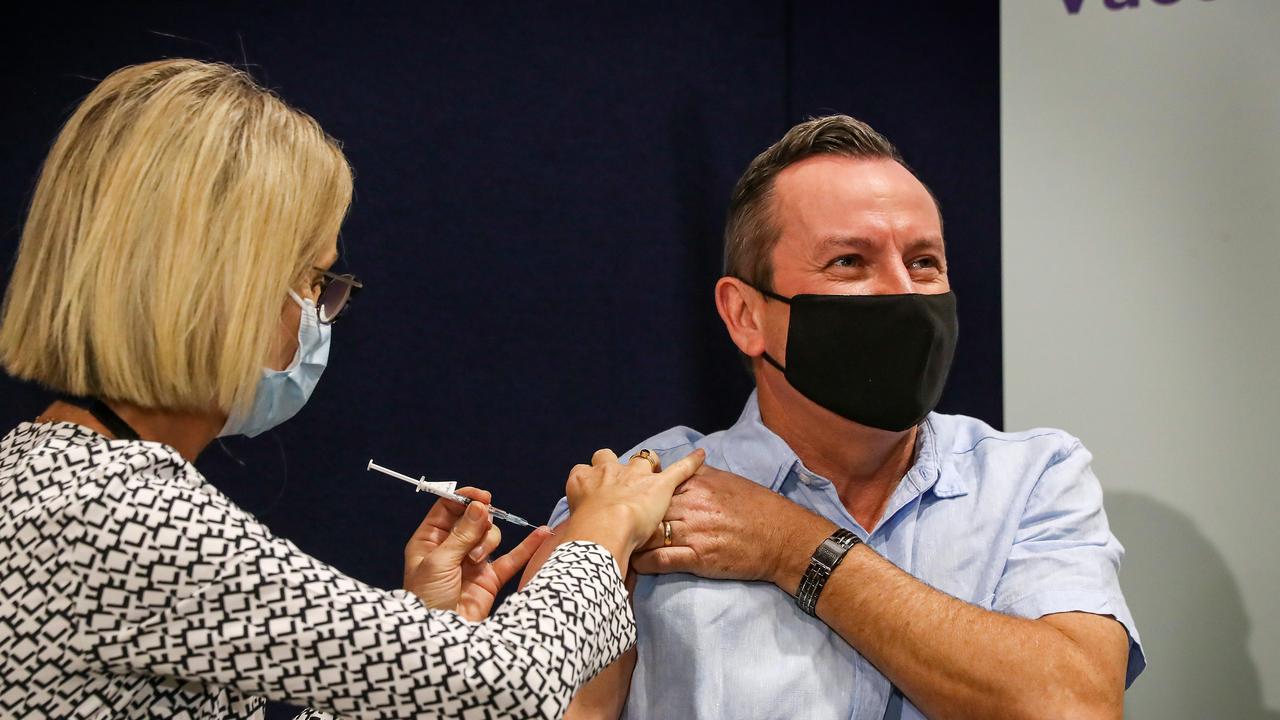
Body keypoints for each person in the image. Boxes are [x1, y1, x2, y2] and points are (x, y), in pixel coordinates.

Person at [0, 59, 704, 719]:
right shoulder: (117, 514)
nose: (320, 313)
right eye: (313, 281)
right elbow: (508, 683)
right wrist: (603, 532)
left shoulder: (54, 478)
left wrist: (426, 633)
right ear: (220, 290)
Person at [527, 115, 1145, 719]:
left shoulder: (1031, 478)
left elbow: (1076, 705)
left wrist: (791, 543)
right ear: (745, 315)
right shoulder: (639, 496)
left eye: (924, 261)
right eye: (849, 261)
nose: (902, 292)